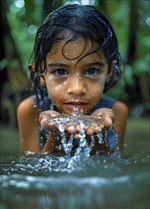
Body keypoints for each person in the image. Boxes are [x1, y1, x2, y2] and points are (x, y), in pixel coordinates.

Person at [17, 4, 128, 156]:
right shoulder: (29, 111)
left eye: (91, 71)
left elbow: (108, 169)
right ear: (40, 74)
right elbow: (36, 173)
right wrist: (56, 135)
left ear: (109, 72)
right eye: (60, 71)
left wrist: (97, 134)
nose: (77, 88)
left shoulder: (116, 112)